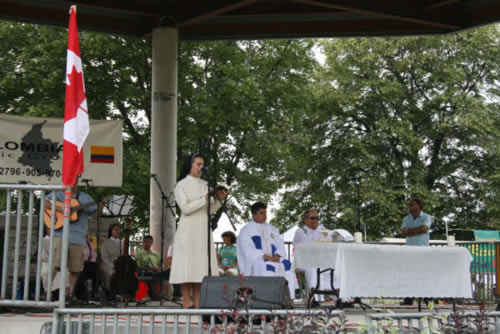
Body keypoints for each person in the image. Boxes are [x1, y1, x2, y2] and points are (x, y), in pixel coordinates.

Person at [170, 153, 228, 309]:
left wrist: (220, 200)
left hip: (203, 228)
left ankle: (197, 305)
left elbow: (210, 210)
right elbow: (186, 208)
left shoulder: (205, 184)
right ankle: (186, 303)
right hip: (188, 228)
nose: (201, 166)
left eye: (203, 164)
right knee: (186, 267)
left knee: (200, 267)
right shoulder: (181, 185)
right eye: (198, 163)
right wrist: (204, 198)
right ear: (190, 165)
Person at [44, 177, 100, 300]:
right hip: (60, 234)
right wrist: (61, 208)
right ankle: (47, 291)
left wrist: (100, 206)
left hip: (78, 237)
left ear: (77, 182)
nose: (70, 183)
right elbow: (45, 203)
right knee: (56, 264)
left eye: (72, 180)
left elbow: (96, 215)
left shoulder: (85, 198)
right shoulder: (58, 194)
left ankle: (70, 294)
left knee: (75, 268)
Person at [237, 202, 298, 298]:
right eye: (261, 213)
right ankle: (266, 297)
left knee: (288, 265)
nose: (265, 215)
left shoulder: (272, 229)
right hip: (258, 259)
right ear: (254, 215)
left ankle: (288, 298)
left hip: (274, 258)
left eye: (265, 212)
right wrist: (266, 257)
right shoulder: (246, 230)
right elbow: (247, 250)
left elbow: (280, 244)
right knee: (263, 266)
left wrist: (277, 256)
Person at [293, 209, 336, 303]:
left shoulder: (322, 229)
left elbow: (330, 241)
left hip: (321, 259)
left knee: (334, 267)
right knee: (313, 267)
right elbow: (308, 245)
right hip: (305, 260)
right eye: (312, 218)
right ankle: (314, 295)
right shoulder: (301, 231)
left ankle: (336, 294)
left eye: (317, 218)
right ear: (306, 220)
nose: (315, 220)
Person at [400, 197, 432, 305]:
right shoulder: (406, 219)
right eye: (409, 205)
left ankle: (428, 298)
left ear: (419, 205)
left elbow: (424, 229)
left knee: (424, 274)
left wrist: (410, 231)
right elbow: (403, 233)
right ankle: (409, 298)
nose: (411, 207)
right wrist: (416, 230)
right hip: (410, 250)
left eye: (413, 204)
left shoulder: (426, 217)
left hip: (423, 250)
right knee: (409, 275)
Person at [74, 234, 98, 300]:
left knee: (96, 272)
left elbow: (93, 255)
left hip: (88, 263)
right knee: (81, 274)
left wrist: (92, 262)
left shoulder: (90, 244)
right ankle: (80, 294)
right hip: (80, 263)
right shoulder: (79, 244)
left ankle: (94, 294)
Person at [100, 223, 123, 291]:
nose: (118, 231)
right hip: (108, 264)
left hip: (120, 265)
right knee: (112, 273)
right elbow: (104, 257)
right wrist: (113, 265)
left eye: (119, 230)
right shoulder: (106, 242)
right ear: (111, 231)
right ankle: (111, 292)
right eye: (116, 230)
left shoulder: (122, 242)